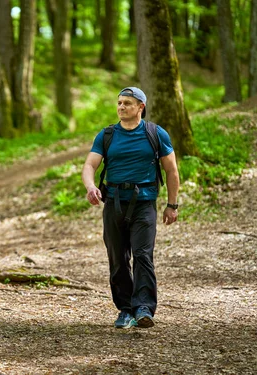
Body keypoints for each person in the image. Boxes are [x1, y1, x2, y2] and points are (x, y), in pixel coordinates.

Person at [81, 87, 180, 329]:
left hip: (144, 204)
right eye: (119, 103)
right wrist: (91, 186)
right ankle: (125, 309)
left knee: (143, 255)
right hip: (113, 203)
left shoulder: (155, 134)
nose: (121, 107)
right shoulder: (106, 135)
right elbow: (89, 165)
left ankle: (144, 308)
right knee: (117, 258)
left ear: (140, 107)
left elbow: (172, 171)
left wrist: (172, 204)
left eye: (127, 103)